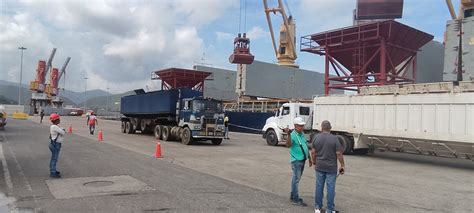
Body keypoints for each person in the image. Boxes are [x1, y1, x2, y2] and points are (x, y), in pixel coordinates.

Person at [311, 120, 345, 213]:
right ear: (330, 128)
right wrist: (342, 165)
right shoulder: (335, 139)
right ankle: (329, 209)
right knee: (330, 188)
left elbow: (313, 152)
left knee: (319, 186)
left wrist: (314, 162)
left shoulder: (316, 137)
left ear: (321, 127)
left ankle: (317, 208)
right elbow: (339, 154)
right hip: (331, 168)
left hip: (319, 166)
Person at [285, 117, 313, 207]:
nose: (302, 127)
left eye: (302, 125)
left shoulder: (301, 134)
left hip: (302, 160)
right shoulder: (293, 135)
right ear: (295, 126)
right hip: (297, 160)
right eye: (300, 126)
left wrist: (309, 158)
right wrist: (288, 134)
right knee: (296, 179)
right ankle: (296, 199)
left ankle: (293, 196)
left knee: (296, 179)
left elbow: (305, 145)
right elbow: (288, 145)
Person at [49, 113, 65, 178]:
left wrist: (61, 130)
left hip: (54, 144)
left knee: (54, 158)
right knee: (54, 159)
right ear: (56, 119)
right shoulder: (54, 127)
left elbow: (62, 130)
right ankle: (53, 172)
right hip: (55, 144)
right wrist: (62, 130)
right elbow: (63, 132)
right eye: (58, 118)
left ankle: (53, 170)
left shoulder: (55, 126)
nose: (59, 120)